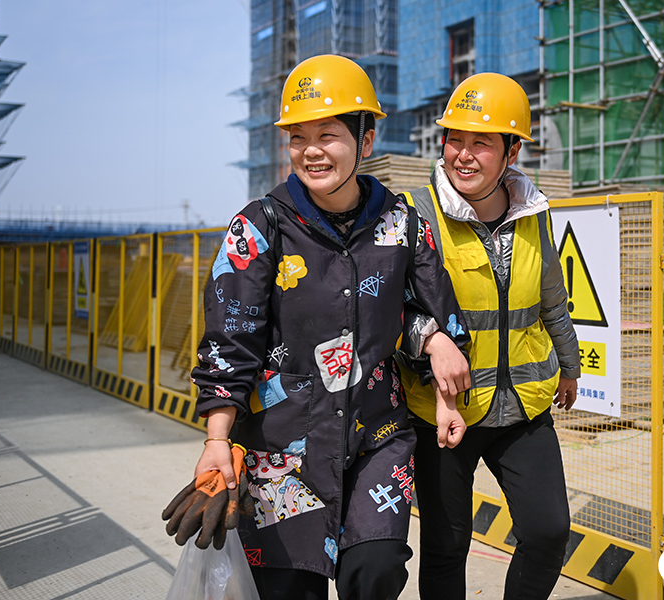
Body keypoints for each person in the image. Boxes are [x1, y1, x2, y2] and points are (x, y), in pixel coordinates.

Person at [183, 55, 471, 600]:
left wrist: (437, 351)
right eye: (298, 136)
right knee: (292, 588)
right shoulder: (259, 227)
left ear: (365, 142)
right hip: (281, 450)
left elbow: (431, 311)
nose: (311, 150)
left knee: (377, 570)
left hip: (377, 437)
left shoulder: (403, 222)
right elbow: (230, 340)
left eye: (329, 134)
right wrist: (217, 439)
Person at [397, 72, 582, 600]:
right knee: (446, 546)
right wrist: (430, 339)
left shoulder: (532, 214)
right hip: (443, 410)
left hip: (523, 408)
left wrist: (569, 367)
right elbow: (389, 313)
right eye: (456, 139)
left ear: (512, 150)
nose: (464, 154)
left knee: (548, 532)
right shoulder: (415, 214)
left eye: (482, 142)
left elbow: (551, 299)